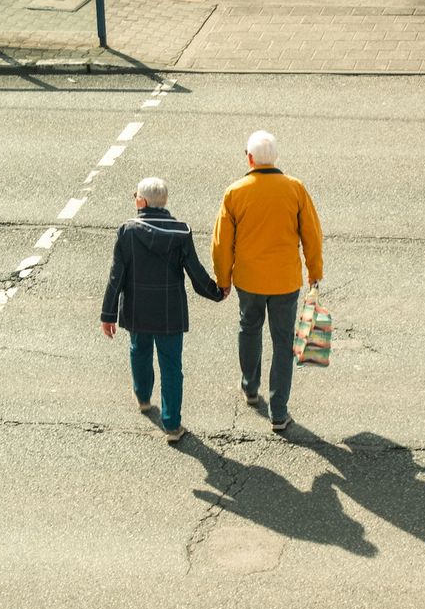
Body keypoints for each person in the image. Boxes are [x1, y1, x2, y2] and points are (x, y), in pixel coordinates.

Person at [212, 130, 323, 433]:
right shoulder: (295, 189)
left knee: (249, 328)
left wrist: (223, 279)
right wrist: (314, 271)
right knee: (283, 341)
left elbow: (222, 243)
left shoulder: (235, 192)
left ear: (249, 158)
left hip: (248, 280)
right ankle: (279, 412)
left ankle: (250, 387)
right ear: (275, 158)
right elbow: (312, 235)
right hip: (285, 280)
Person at [101, 177, 224, 443]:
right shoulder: (181, 232)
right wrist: (217, 292)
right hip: (170, 310)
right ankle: (172, 425)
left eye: (135, 195)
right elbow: (195, 271)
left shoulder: (127, 231)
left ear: (142, 202)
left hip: (137, 308)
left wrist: (108, 314)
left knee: (139, 351)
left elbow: (116, 276)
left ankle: (143, 397)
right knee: (171, 367)